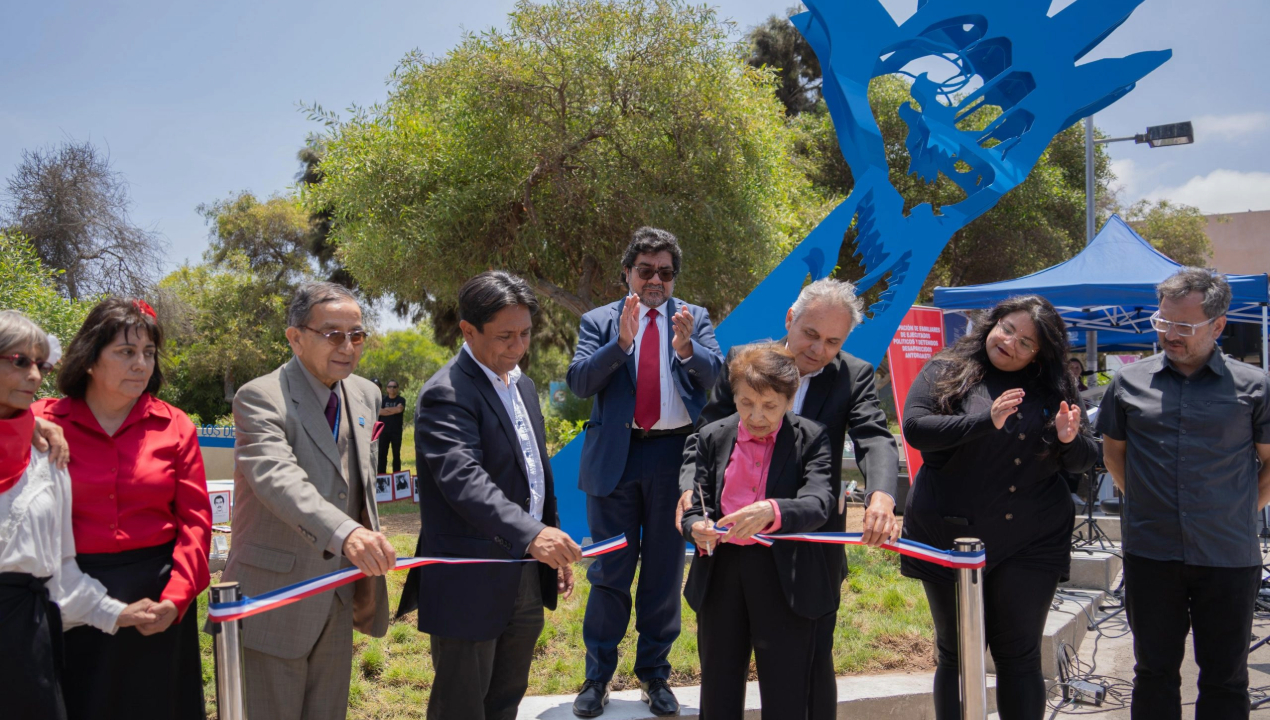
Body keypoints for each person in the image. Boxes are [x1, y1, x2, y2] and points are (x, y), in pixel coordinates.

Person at [675, 277, 900, 719]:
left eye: (833, 341)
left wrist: (882, 498)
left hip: (807, 550)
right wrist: (690, 490)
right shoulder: (744, 361)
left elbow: (875, 438)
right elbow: (705, 435)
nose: (818, 350)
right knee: (721, 670)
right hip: (730, 549)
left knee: (809, 673)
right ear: (790, 319)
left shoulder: (853, 375)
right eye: (811, 335)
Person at [900, 295, 1097, 720]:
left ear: (1040, 353)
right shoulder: (947, 367)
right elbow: (916, 428)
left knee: (1019, 653)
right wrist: (984, 421)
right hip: (949, 533)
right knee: (956, 652)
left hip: (1031, 538)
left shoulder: (1056, 385)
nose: (1010, 342)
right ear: (994, 322)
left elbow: (1088, 457)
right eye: (1008, 328)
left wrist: (1069, 440)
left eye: (1027, 342)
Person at [397, 271, 581, 720]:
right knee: (461, 708)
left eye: (525, 334)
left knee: (504, 702)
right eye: (504, 337)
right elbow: (463, 479)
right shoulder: (446, 393)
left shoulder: (523, 385)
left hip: (524, 573)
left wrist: (548, 540)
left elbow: (533, 473)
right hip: (470, 579)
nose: (518, 348)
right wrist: (533, 534)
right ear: (467, 330)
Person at [1097, 268, 1270, 719]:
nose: (1170, 335)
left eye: (1183, 326)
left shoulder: (1254, 387)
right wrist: (1141, 500)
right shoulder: (1129, 383)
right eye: (1163, 322)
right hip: (1152, 553)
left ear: (1218, 325)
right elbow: (1115, 454)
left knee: (1226, 677)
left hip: (1228, 557)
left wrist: (1237, 510)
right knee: (1153, 673)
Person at [567, 227, 724, 717]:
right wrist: (620, 345)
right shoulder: (599, 320)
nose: (656, 279)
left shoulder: (693, 318)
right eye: (646, 270)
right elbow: (578, 381)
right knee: (610, 571)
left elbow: (718, 377)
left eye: (665, 272)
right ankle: (597, 678)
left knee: (662, 571)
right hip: (617, 457)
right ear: (627, 273)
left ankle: (655, 675)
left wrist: (685, 350)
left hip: (674, 459)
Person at [33, 298, 214, 720]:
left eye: (148, 353)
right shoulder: (42, 421)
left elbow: (195, 524)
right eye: (126, 352)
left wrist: (176, 597)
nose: (141, 364)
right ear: (90, 359)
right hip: (70, 596)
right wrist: (25, 422)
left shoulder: (175, 425)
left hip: (157, 599)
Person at [224, 281, 394, 720]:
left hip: (338, 594)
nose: (348, 346)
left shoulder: (366, 395)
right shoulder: (259, 397)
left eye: (356, 335)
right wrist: (346, 532)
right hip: (274, 597)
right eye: (332, 333)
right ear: (295, 337)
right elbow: (277, 477)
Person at [0, 310, 158, 719]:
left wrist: (116, 612)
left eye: (41, 363)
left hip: (25, 640)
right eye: (19, 361)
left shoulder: (48, 456)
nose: (34, 376)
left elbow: (59, 568)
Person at [680, 342, 835, 719]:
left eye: (769, 406)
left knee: (786, 692)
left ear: (788, 399)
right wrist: (695, 526)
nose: (757, 416)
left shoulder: (811, 438)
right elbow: (695, 503)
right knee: (718, 688)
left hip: (784, 576)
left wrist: (773, 510)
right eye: (746, 403)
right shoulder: (712, 436)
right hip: (722, 574)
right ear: (733, 396)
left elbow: (819, 502)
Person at [378, 379, 406, 474]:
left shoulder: (401, 400)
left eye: (394, 387)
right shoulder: (383, 400)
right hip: (383, 431)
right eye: (390, 386)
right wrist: (393, 410)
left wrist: (386, 410)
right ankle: (382, 476)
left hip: (396, 432)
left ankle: (397, 476)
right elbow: (379, 412)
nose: (392, 388)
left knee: (396, 455)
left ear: (397, 388)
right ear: (387, 389)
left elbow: (399, 410)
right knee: (382, 455)